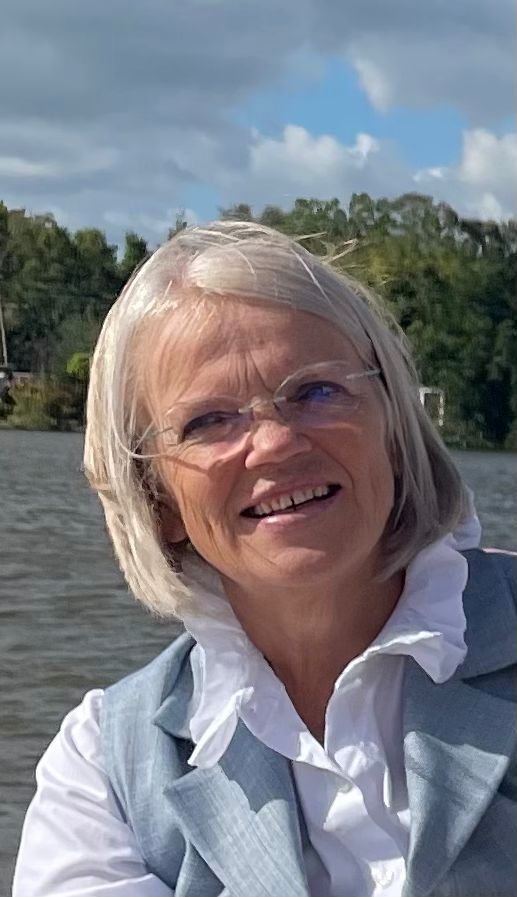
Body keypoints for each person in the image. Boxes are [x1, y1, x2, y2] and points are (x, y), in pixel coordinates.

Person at [13, 222, 515, 897]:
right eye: (207, 422)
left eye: (317, 391)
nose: (276, 442)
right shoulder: (103, 771)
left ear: (393, 428)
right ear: (158, 499)